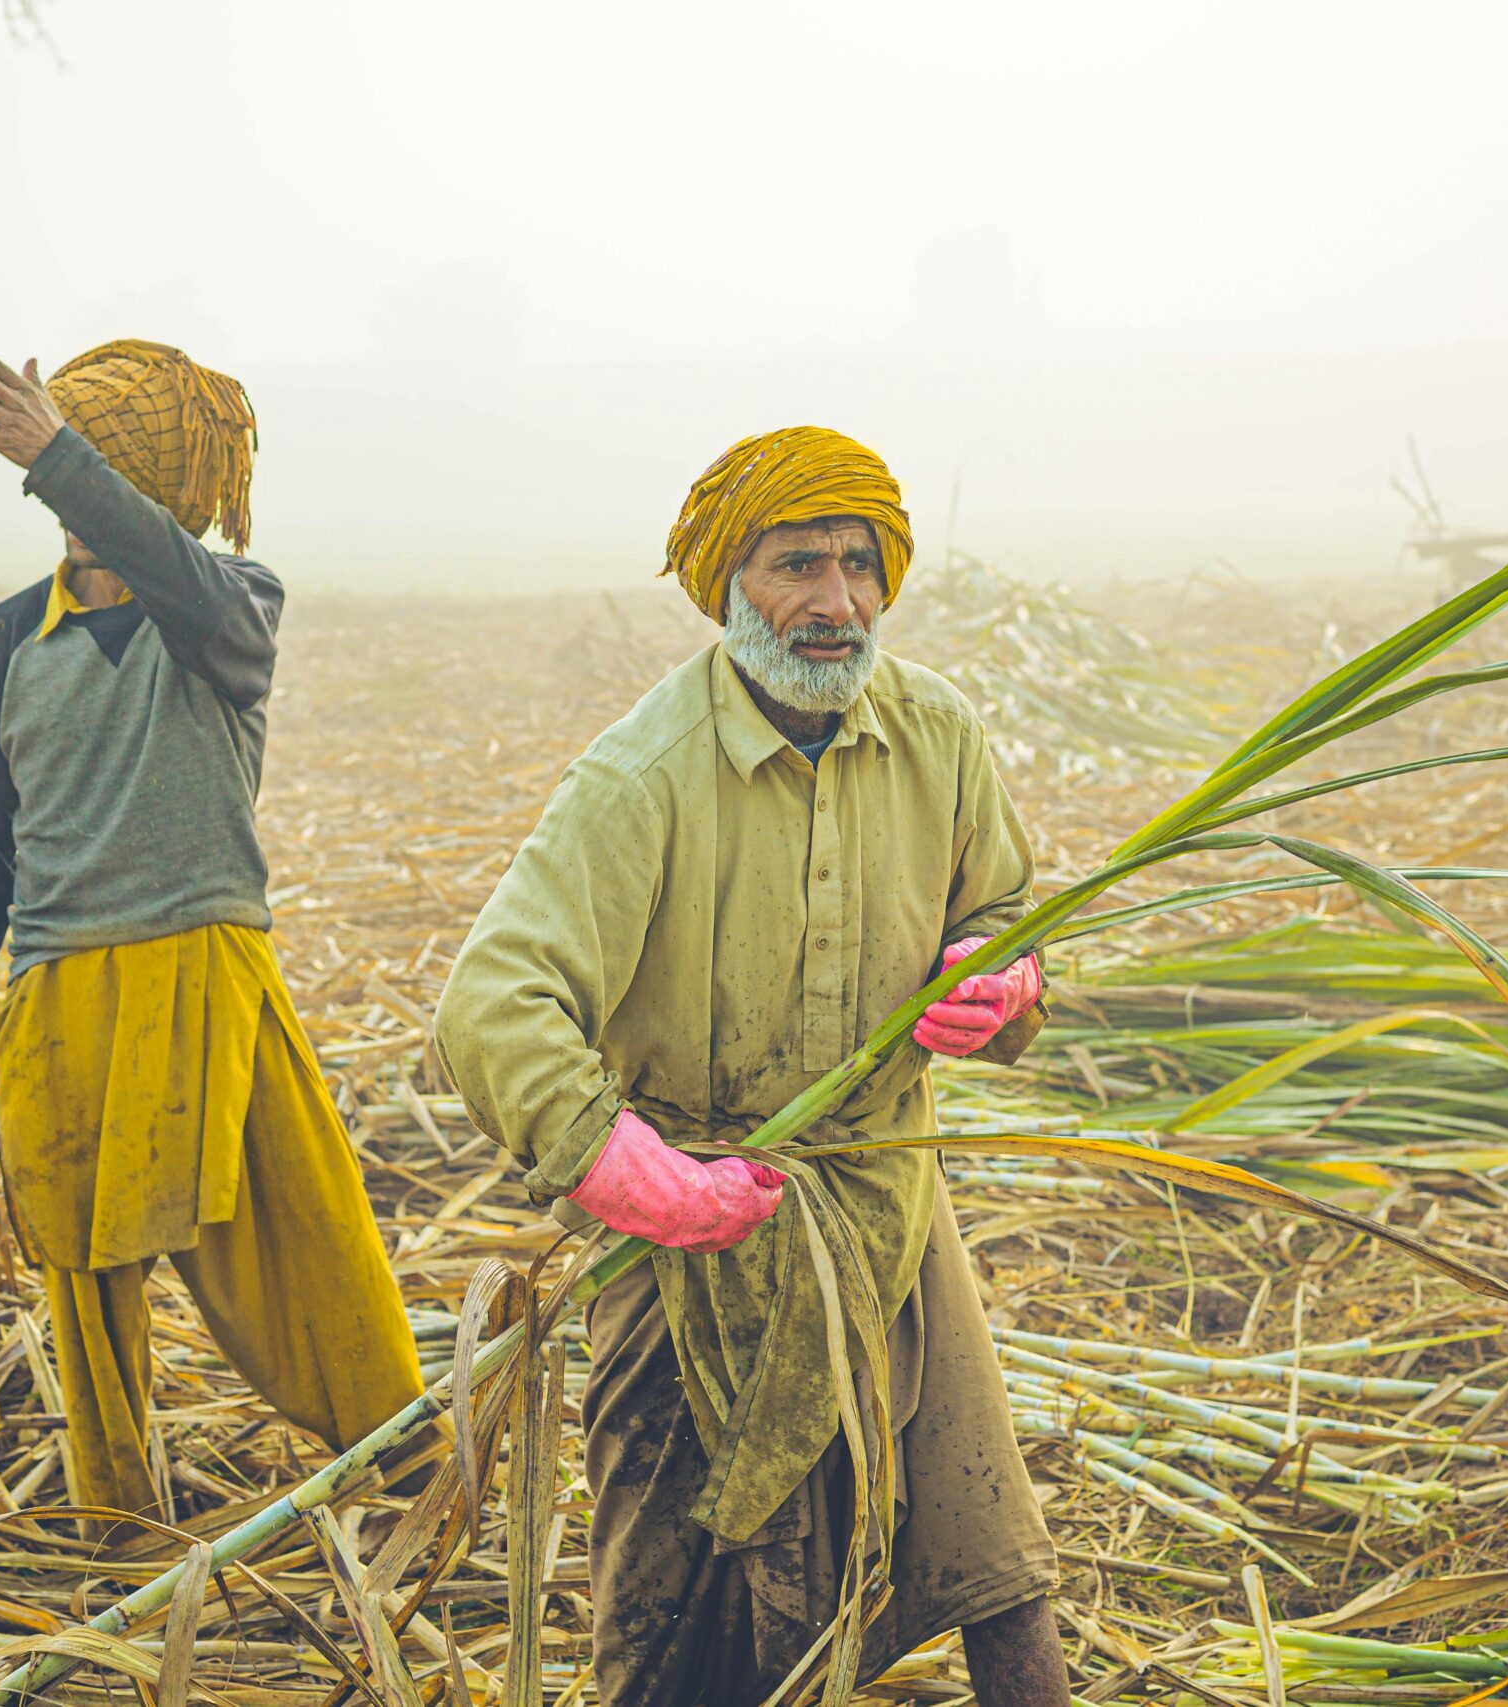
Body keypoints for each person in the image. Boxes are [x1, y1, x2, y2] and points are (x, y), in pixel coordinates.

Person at [434, 427, 1070, 1707]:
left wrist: (1000, 978)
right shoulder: (644, 777)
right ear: (728, 586)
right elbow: (488, 1004)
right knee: (682, 1617)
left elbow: (1006, 906)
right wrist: (629, 1171)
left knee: (992, 1562)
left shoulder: (935, 734)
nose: (832, 604)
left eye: (856, 564)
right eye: (795, 567)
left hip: (890, 1208)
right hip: (696, 1253)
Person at [0, 341, 421, 1518]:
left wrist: (60, 458)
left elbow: (173, 575)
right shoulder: (7, 641)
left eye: (101, 479)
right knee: (84, 1275)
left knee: (306, 1229)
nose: (78, 508)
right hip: (57, 988)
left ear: (170, 495)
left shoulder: (229, 611)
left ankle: (406, 1465)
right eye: (67, 473)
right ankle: (121, 1518)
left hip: (206, 970)